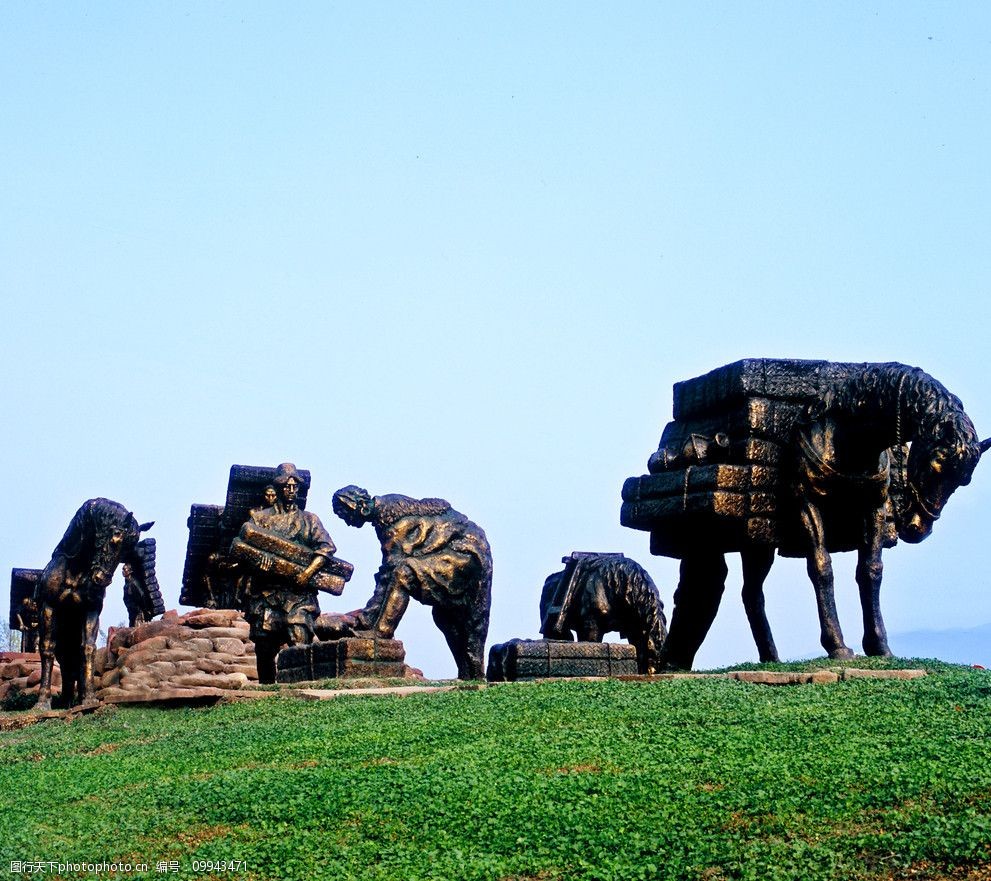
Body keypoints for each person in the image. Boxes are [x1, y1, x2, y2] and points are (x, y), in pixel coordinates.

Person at [332, 485, 492, 679]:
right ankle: (471, 675)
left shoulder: (393, 521)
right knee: (446, 618)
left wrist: (365, 619)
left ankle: (380, 633)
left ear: (358, 505)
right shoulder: (384, 513)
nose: (348, 522)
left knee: (403, 573)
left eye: (345, 514)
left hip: (464, 554)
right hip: (459, 554)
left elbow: (391, 572)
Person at [241, 463, 336, 682]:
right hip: (267, 593)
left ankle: (299, 688)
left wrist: (307, 573)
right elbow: (244, 553)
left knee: (299, 637)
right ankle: (267, 691)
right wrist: (258, 564)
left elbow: (326, 548)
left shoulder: (309, 520)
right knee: (264, 647)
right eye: (286, 486)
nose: (291, 490)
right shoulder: (260, 519)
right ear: (278, 487)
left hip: (298, 594)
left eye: (295, 486)